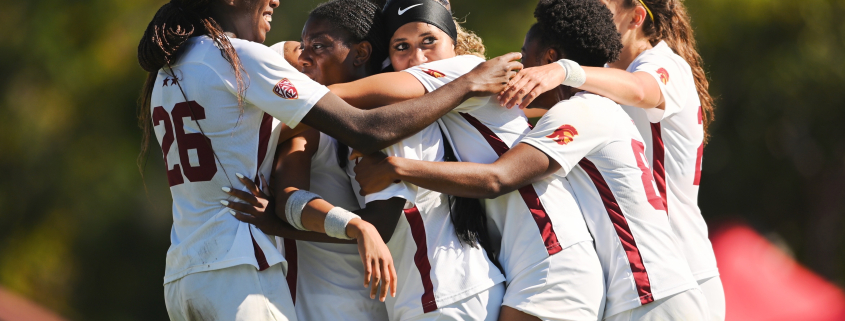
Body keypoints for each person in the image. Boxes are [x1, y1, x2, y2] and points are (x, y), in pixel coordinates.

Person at [135, 0, 521, 319]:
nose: (302, 55)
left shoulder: (173, 65)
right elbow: (355, 134)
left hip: (185, 272)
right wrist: (349, 225)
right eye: (304, 46)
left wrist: (326, 224)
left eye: (316, 46)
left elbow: (364, 210)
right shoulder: (244, 63)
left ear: (362, 53)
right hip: (241, 268)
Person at [354, 0, 710, 320]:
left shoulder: (581, 111)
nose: (520, 65)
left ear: (551, 60)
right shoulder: (585, 108)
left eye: (526, 56)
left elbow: (497, 178)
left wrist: (396, 168)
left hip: (648, 291)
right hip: (634, 291)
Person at [330, 0, 605, 320]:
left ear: (454, 44)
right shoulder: (442, 99)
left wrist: (276, 88)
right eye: (401, 46)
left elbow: (339, 96)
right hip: (530, 261)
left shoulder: (462, 70)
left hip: (551, 255)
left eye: (428, 41)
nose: (417, 57)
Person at [499, 0, 724, 319]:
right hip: (635, 276)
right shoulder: (600, 77)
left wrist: (562, 69)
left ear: (636, 17)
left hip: (678, 268)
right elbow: (531, 106)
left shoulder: (662, 63)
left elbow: (637, 89)